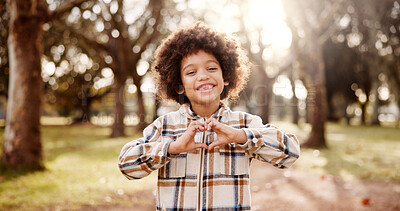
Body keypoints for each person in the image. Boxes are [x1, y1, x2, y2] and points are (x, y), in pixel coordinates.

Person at [118, 22, 300, 211]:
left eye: (211, 68)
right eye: (191, 72)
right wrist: (173, 148)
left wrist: (240, 136)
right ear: (179, 85)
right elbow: (126, 165)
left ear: (226, 77)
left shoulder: (244, 124)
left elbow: (291, 152)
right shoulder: (165, 126)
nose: (203, 76)